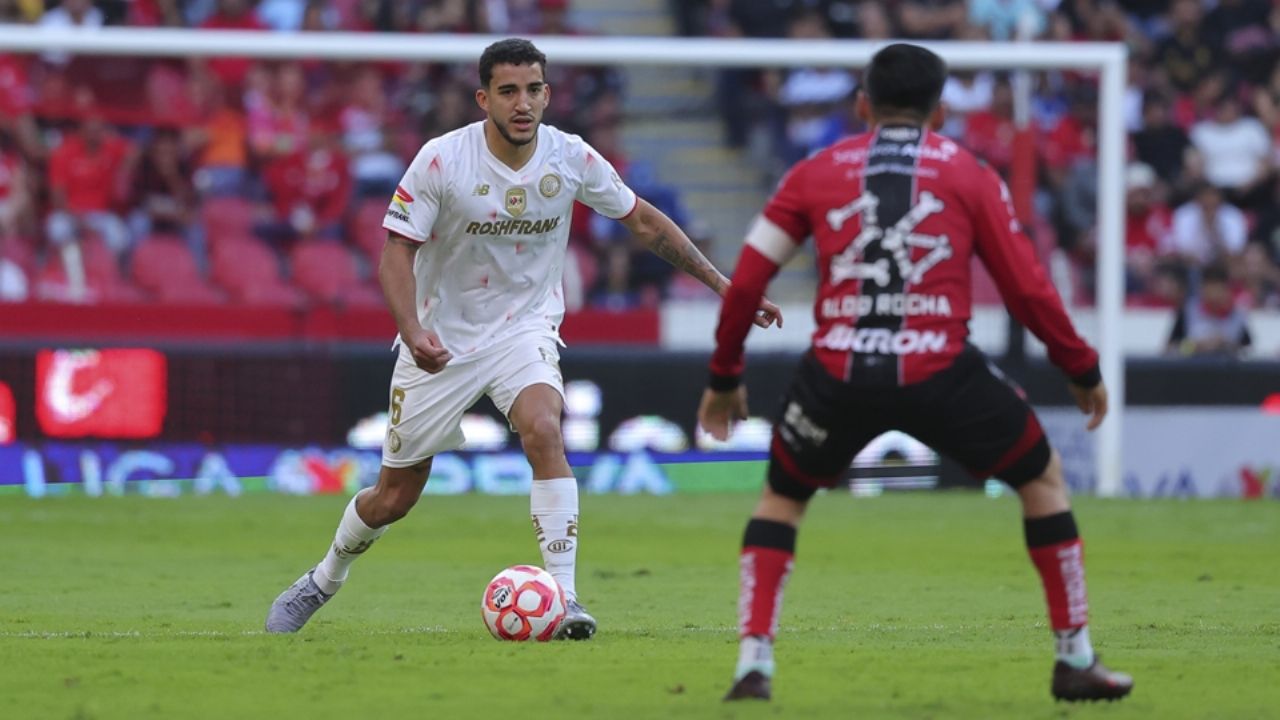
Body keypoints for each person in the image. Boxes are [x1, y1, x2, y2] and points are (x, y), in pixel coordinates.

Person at [266, 38, 781, 639]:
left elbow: (642, 220)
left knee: (544, 428)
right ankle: (323, 578)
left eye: (533, 90)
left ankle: (565, 598)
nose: (522, 103)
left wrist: (726, 287)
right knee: (393, 498)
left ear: (547, 94)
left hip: (524, 327)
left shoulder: (570, 156)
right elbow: (396, 252)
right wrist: (412, 329)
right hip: (441, 340)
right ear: (483, 98)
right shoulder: (441, 159)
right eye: (508, 91)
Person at [697, 43, 1133, 703]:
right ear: (941, 110)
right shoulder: (970, 173)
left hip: (837, 372)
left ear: (862, 106)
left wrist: (726, 375)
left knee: (782, 501)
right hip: (942, 372)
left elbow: (749, 280)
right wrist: (1080, 365)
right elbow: (1026, 288)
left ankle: (752, 666)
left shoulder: (813, 173)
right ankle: (1074, 658)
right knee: (1041, 479)